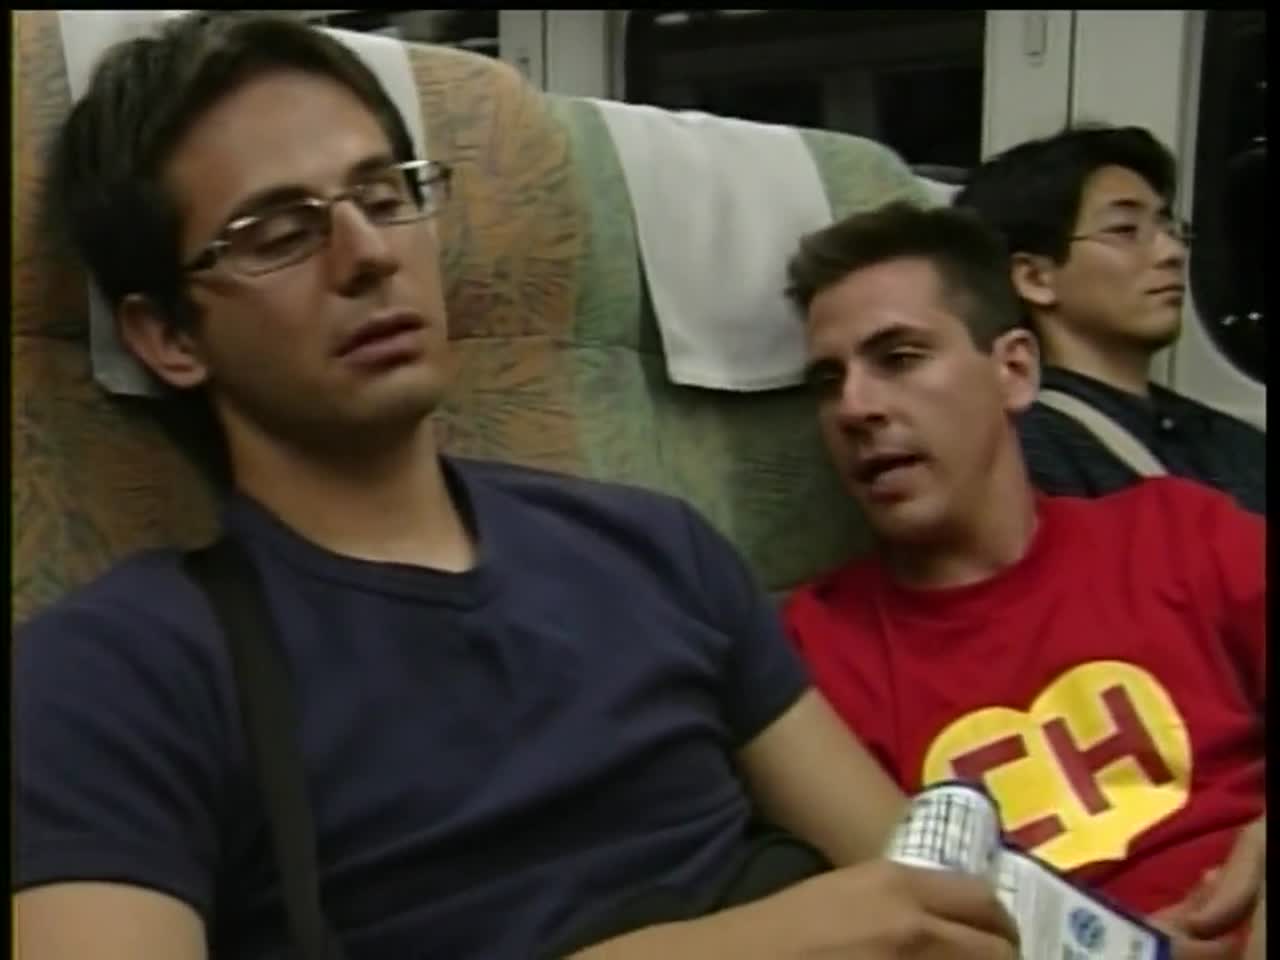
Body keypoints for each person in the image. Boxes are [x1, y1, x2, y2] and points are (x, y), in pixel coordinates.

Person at [13, 12, 1026, 960]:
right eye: (278, 233)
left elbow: (923, 898)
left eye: (384, 195)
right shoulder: (114, 673)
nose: (369, 256)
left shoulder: (655, 549)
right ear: (168, 336)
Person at [781, 201, 1265, 955]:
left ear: (1013, 371)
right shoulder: (812, 651)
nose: (854, 408)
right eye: (826, 381)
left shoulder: (1177, 532)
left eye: (899, 358)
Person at [954, 125, 1266, 516]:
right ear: (1035, 278)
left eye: (1170, 229)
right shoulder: (1025, 452)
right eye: (1125, 230)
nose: (1171, 252)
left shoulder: (1225, 436)